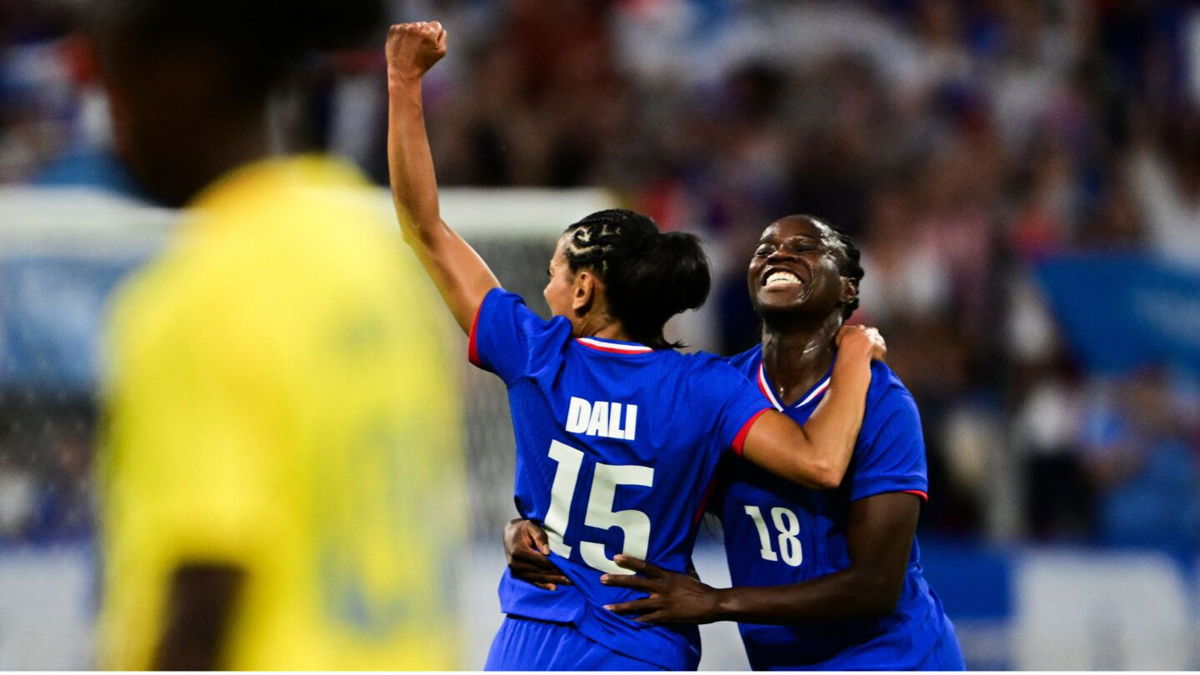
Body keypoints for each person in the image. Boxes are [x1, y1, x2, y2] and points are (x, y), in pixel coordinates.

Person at [386, 23, 885, 671]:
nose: (546, 283)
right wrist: (852, 352)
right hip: (643, 644)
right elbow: (822, 464)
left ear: (587, 288)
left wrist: (403, 82)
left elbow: (423, 226)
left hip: (534, 642)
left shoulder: (538, 357)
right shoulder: (706, 388)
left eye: (557, 270)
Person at [93, 1, 464, 669]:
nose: (114, 128)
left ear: (187, 75)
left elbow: (205, 601)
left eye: (120, 89)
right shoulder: (371, 262)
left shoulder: (203, 295)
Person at [506, 215, 966, 670]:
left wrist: (717, 602)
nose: (779, 254)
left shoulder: (882, 403)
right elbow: (633, 482)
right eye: (764, 249)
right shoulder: (717, 391)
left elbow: (874, 588)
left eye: (805, 247)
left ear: (847, 288)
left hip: (893, 657)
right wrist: (535, 527)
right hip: (783, 661)